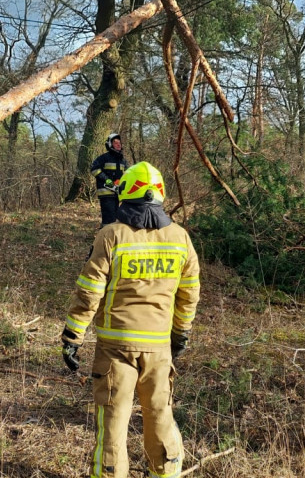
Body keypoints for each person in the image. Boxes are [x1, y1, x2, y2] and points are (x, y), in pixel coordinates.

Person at [61, 161, 200, 478]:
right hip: (159, 349)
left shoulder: (111, 235)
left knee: (113, 422)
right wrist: (180, 336)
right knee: (160, 415)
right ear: (160, 194)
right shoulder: (180, 238)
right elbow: (189, 295)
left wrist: (72, 336)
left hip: (115, 348)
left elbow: (89, 293)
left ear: (125, 192)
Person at [90, 133, 128, 227]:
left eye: (119, 142)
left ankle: (111, 237)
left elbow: (128, 174)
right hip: (106, 193)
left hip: (117, 193)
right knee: (108, 219)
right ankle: (104, 238)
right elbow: (94, 169)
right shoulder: (103, 158)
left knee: (116, 217)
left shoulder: (123, 160)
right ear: (110, 145)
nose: (119, 144)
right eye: (115, 142)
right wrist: (107, 180)